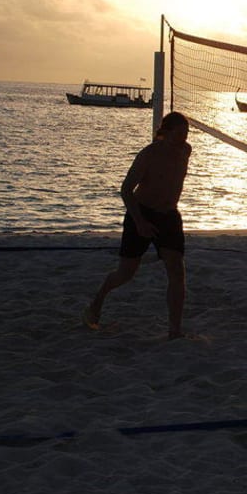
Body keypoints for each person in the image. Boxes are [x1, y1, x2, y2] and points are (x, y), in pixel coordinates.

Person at [83, 112, 192, 339]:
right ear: (166, 132)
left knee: (176, 271)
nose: (183, 138)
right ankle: (97, 301)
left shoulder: (185, 150)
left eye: (186, 134)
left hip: (169, 216)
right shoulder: (148, 154)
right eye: (179, 134)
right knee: (126, 273)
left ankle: (175, 331)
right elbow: (126, 190)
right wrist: (140, 222)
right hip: (141, 213)